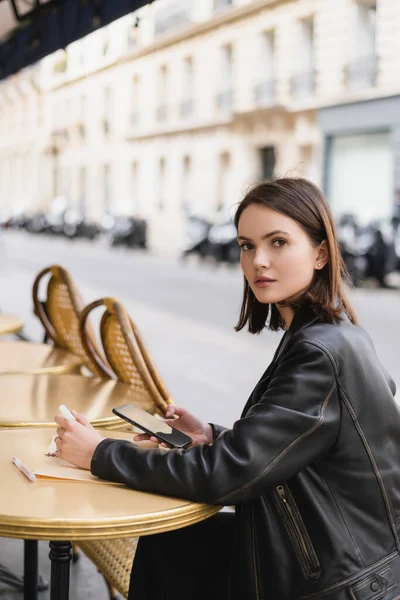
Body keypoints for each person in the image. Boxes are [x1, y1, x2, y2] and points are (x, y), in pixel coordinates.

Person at [55, 178, 400, 600]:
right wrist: (212, 436)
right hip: (337, 555)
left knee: (173, 543)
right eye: (247, 245)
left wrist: (98, 453)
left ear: (321, 253)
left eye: (278, 242)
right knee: (171, 541)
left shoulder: (318, 352)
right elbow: (295, 442)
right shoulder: (330, 333)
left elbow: (226, 475)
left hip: (343, 582)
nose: (259, 261)